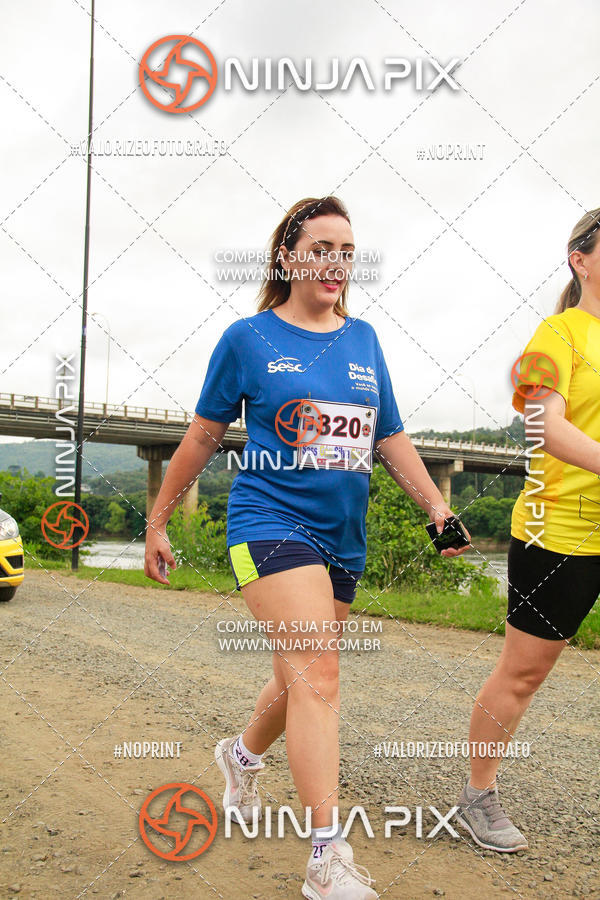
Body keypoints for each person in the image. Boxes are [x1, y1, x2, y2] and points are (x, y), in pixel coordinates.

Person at [145, 195, 470, 898]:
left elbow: (388, 437)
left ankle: (239, 755)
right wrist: (157, 520)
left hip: (342, 536)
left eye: (347, 253)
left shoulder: (364, 341)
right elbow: (203, 437)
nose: (336, 264)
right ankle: (327, 858)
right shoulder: (248, 339)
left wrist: (437, 506)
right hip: (268, 521)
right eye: (322, 249)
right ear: (288, 256)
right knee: (321, 675)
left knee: (301, 676)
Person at [455, 207, 600, 853]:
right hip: (560, 529)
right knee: (523, 675)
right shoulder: (557, 335)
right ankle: (477, 796)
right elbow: (545, 428)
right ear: (581, 257)